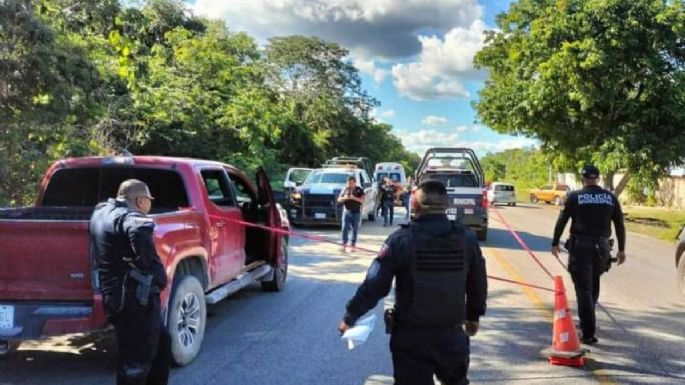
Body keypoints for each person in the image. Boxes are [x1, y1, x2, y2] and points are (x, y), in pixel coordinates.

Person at [339, 180, 488, 385]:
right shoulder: (467, 239)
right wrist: (474, 315)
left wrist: (351, 315)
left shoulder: (400, 240)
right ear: (446, 206)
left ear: (415, 205)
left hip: (411, 338)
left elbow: (375, 285)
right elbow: (478, 283)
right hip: (451, 336)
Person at [90, 179, 171, 385]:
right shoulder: (130, 217)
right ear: (141, 200)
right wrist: (141, 260)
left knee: (161, 343)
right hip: (134, 298)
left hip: (119, 296)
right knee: (136, 359)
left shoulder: (101, 211)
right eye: (149, 201)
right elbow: (138, 226)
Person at [551, 165, 626, 345]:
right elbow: (619, 224)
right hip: (602, 248)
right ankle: (588, 320)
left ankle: (588, 333)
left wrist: (555, 242)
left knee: (583, 289)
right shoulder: (610, 197)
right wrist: (622, 249)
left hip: (581, 247)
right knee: (593, 284)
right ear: (598, 178)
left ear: (582, 178)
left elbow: (562, 220)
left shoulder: (575, 196)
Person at [338, 176, 365, 252]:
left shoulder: (359, 190)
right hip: (347, 211)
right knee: (344, 228)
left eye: (352, 183)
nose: (350, 184)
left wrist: (354, 198)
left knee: (354, 229)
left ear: (355, 183)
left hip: (356, 212)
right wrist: (345, 198)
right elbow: (339, 199)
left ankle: (353, 245)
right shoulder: (345, 189)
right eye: (349, 183)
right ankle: (344, 245)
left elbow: (362, 200)